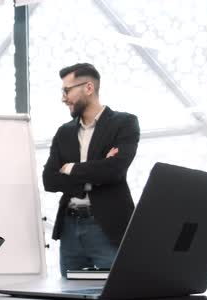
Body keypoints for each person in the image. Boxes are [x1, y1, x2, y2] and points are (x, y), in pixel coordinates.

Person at [42, 63, 140, 277]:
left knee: (118, 297)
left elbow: (114, 170)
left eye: (67, 90)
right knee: (71, 298)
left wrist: (70, 168)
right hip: (69, 227)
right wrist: (96, 170)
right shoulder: (64, 132)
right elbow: (49, 180)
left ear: (88, 88)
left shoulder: (124, 123)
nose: (63, 98)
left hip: (107, 226)